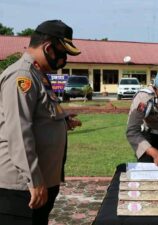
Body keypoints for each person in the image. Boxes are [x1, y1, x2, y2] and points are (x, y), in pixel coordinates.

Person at [0, 20, 82, 225]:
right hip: (21, 185)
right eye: (62, 53)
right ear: (48, 48)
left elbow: (41, 115)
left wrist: (62, 122)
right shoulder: (23, 76)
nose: (64, 60)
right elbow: (18, 130)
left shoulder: (38, 74)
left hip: (40, 180)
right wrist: (34, 179)